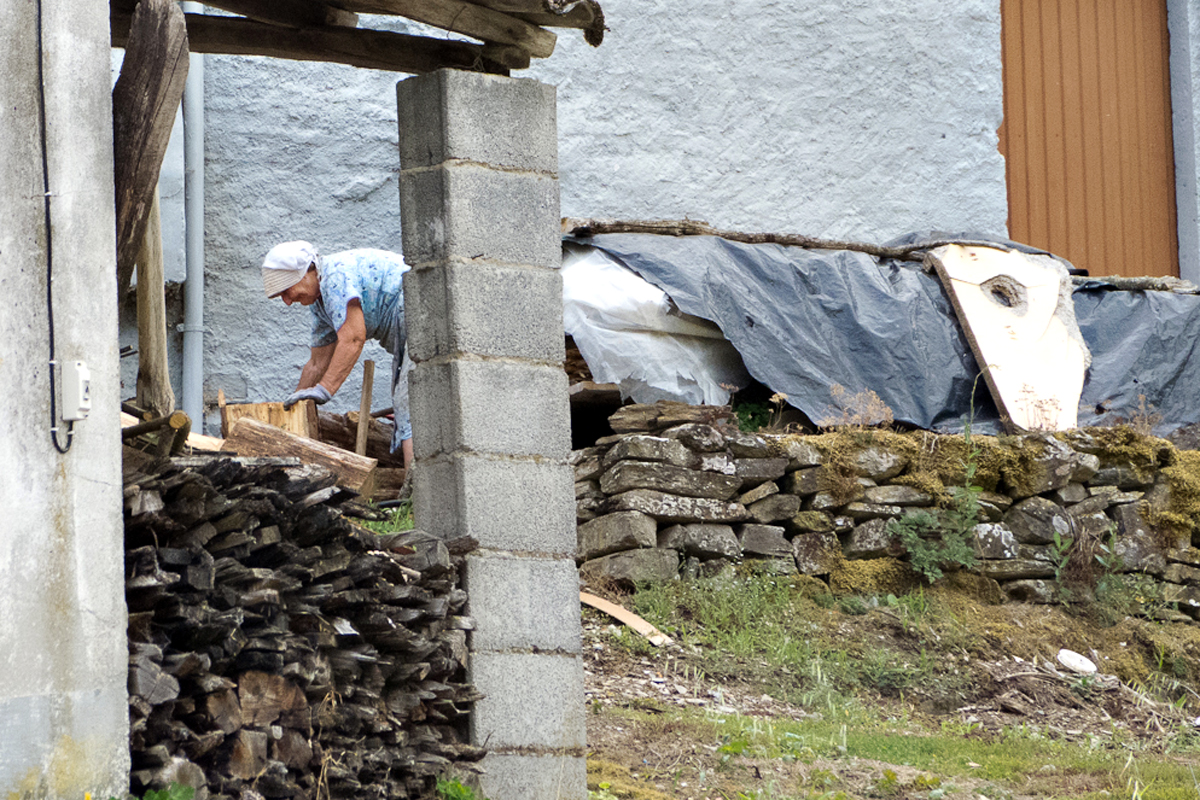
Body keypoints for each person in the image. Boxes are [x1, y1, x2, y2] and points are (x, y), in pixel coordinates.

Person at [261, 240, 413, 467]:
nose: (288, 301)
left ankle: (416, 486)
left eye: (286, 291)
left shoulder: (334, 278)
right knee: (410, 402)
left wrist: (325, 389)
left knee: (410, 402)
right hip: (411, 331)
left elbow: (353, 338)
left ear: (307, 273)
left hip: (423, 312)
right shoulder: (319, 304)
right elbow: (317, 363)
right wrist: (295, 406)